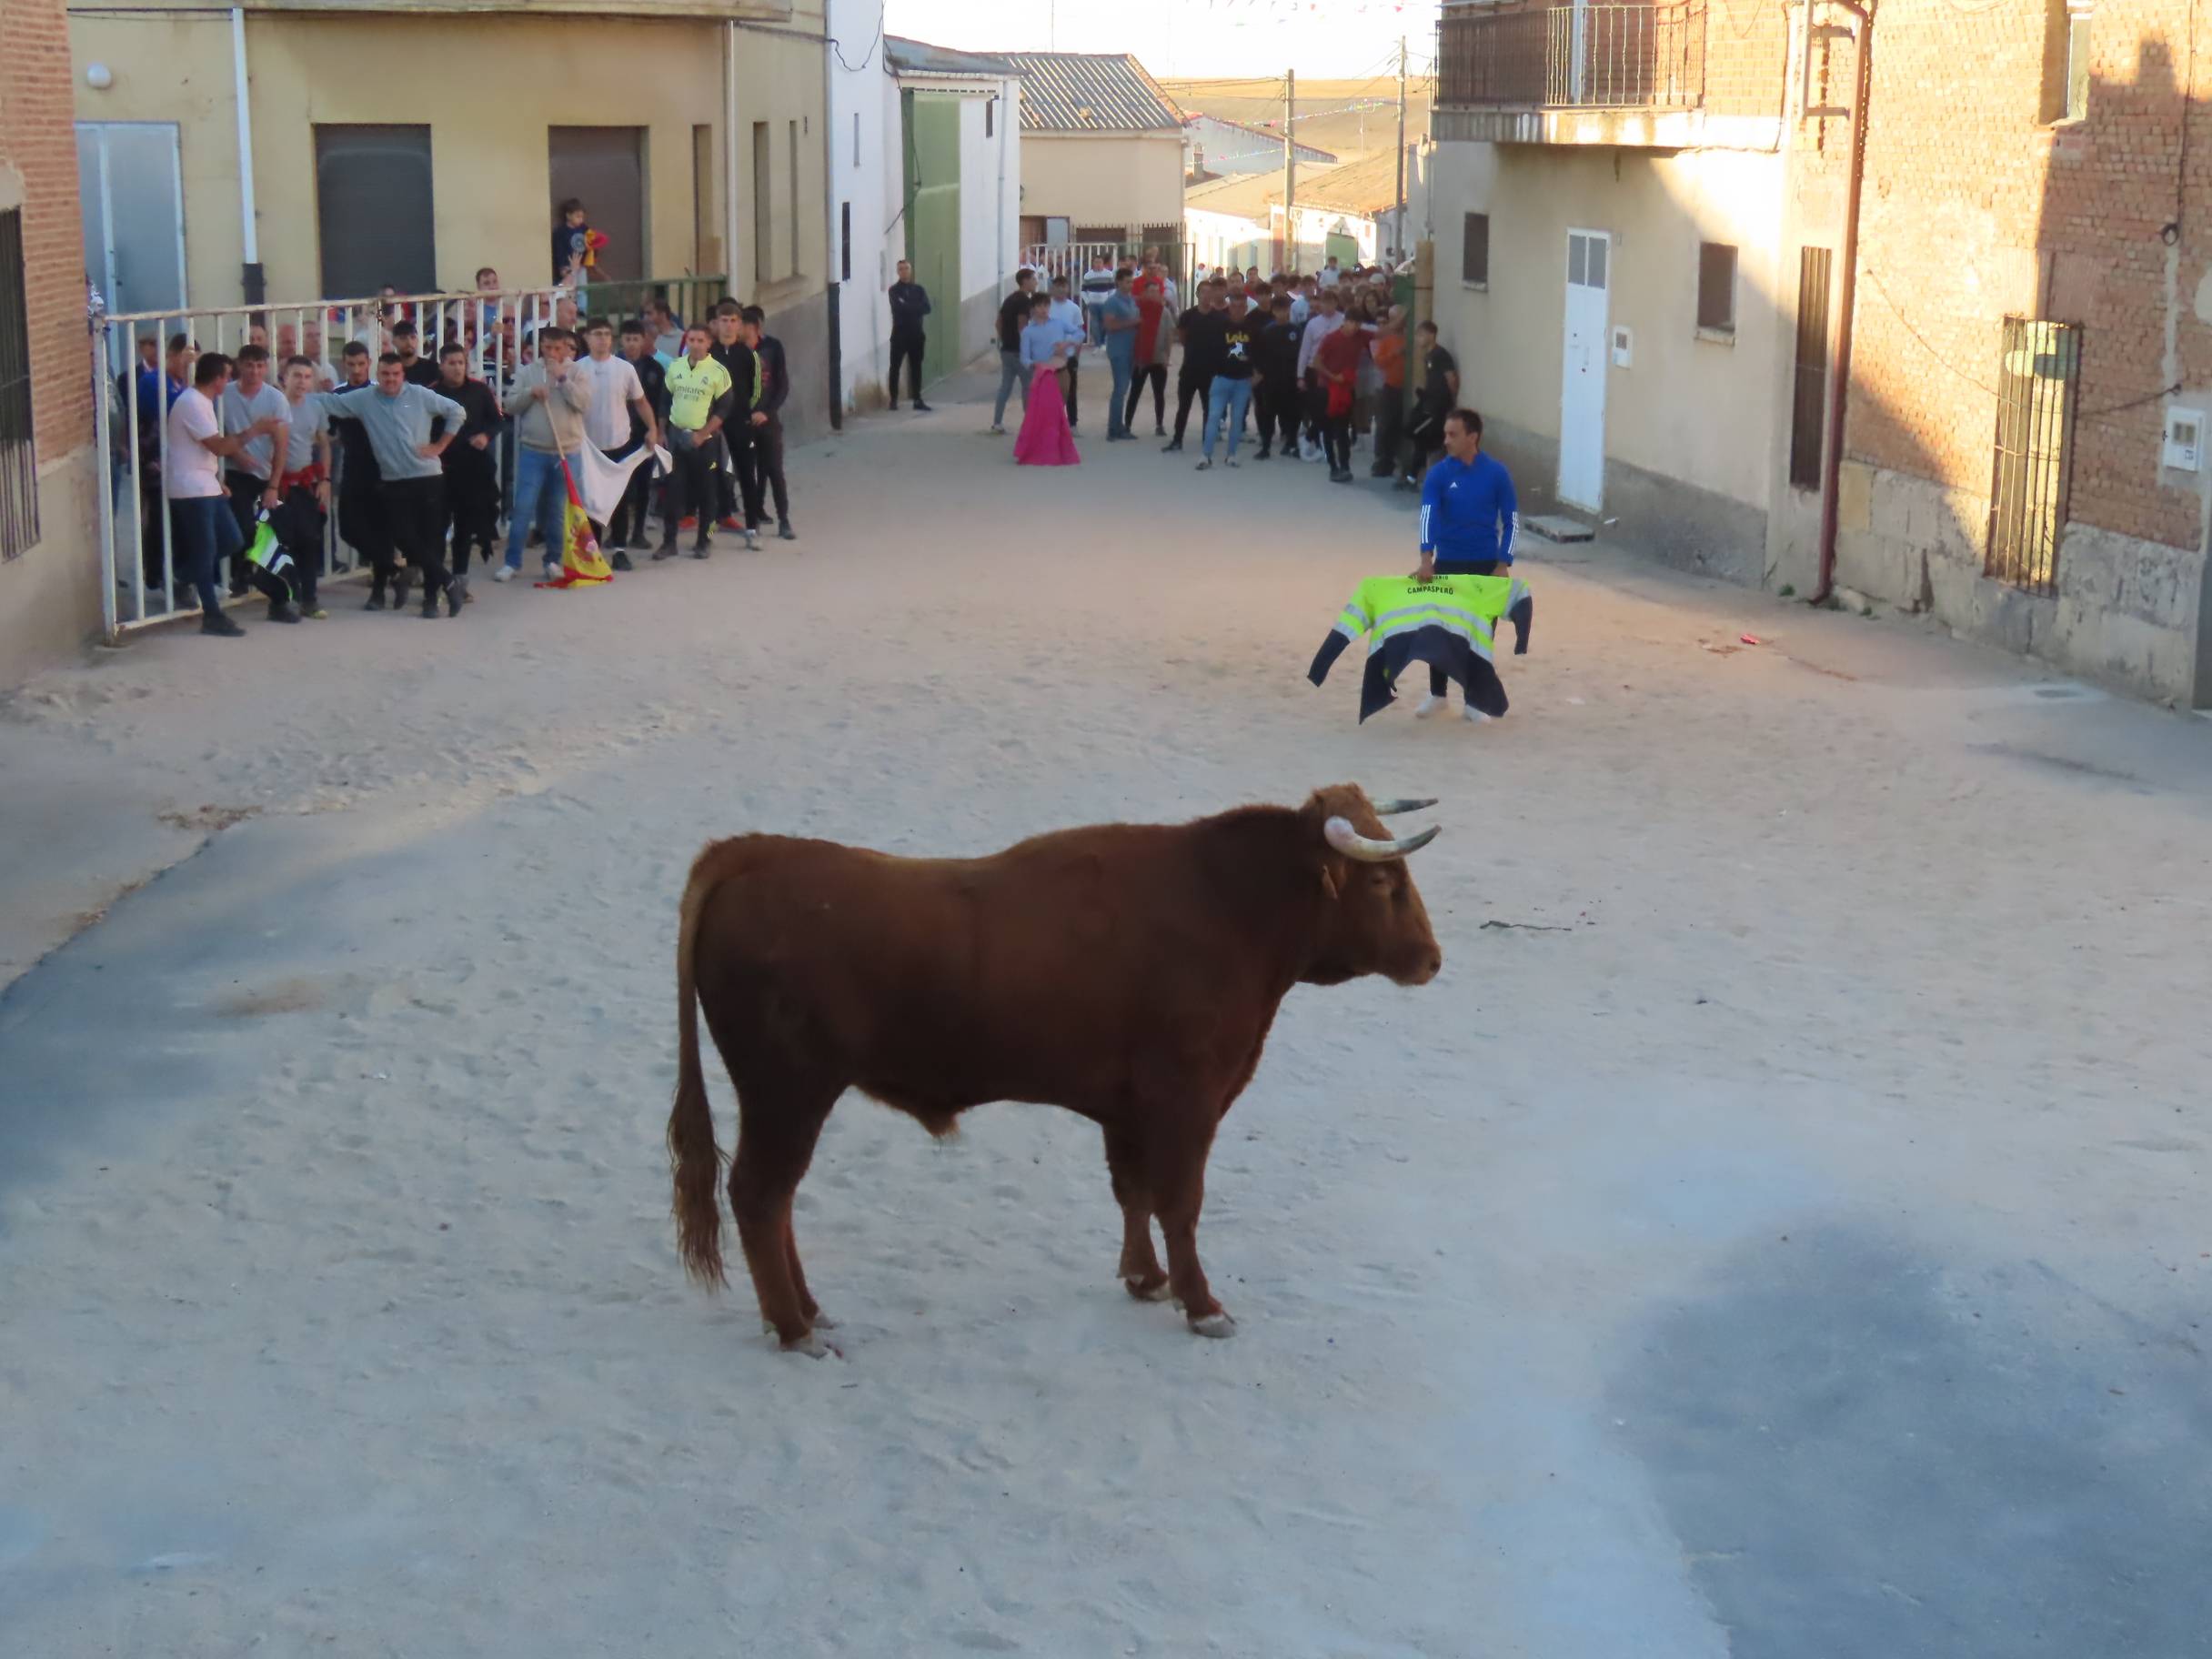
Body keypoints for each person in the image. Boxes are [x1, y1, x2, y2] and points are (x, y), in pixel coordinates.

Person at [323, 352, 469, 616]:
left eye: (395, 374)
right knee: (402, 536)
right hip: (392, 479)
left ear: (403, 375)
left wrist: (440, 446)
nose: (390, 379)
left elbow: (457, 411)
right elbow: (328, 404)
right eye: (386, 374)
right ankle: (446, 581)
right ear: (377, 375)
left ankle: (431, 599)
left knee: (431, 538)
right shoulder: (365, 398)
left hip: (427, 477)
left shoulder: (419, 394)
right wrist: (293, 394)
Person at [167, 353, 288, 634]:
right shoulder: (192, 403)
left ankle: (183, 578)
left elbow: (204, 450)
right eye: (227, 376)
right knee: (206, 549)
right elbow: (220, 447)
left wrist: (215, 479)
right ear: (218, 379)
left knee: (232, 540)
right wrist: (255, 430)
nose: (230, 381)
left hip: (205, 485)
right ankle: (212, 615)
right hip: (191, 489)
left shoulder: (202, 402)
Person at [1413, 408, 1520, 719]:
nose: (1446, 440)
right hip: (1447, 563)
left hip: (1486, 567)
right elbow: (1427, 516)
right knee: (1439, 630)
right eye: (1445, 434)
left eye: (1453, 434)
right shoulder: (1438, 474)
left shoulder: (1497, 473)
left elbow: (1512, 520)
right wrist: (1426, 558)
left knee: (1481, 634)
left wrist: (1504, 562)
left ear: (1472, 437)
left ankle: (1475, 700)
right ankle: (1438, 695)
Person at [498, 326, 591, 584]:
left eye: (557, 348)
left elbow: (584, 403)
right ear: (541, 346)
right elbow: (510, 405)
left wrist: (563, 380)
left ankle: (552, 560)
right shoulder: (528, 372)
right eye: (547, 347)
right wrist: (530, 392)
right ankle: (512, 562)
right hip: (533, 451)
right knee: (523, 507)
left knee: (557, 511)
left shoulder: (577, 372)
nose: (552, 353)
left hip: (566, 453)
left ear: (566, 348)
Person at [576, 317, 657, 569]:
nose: (602, 339)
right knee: (592, 501)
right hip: (588, 446)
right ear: (587, 337)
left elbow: (640, 402)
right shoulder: (577, 369)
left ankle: (620, 550)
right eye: (597, 334)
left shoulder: (624, 369)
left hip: (620, 443)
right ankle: (593, 552)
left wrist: (653, 428)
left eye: (606, 334)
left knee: (620, 499)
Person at [217, 344, 289, 596]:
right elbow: (216, 433)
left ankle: (254, 574)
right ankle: (241, 574)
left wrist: (273, 485)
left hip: (265, 473)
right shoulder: (224, 395)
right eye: (249, 365)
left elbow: (282, 444)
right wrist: (237, 454)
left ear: (266, 367)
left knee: (271, 529)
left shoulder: (275, 399)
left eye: (260, 366)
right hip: (234, 472)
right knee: (242, 526)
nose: (254, 371)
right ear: (239, 365)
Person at [657, 322, 733, 560]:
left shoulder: (718, 371)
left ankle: (704, 541)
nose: (696, 345)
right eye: (692, 340)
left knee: (707, 493)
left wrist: (703, 434)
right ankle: (669, 542)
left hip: (705, 441)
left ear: (709, 343)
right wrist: (660, 431)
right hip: (677, 437)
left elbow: (724, 408)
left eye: (701, 341)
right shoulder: (676, 367)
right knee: (673, 491)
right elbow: (664, 401)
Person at [269, 354, 334, 618]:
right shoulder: (273, 404)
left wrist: (325, 479)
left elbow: (324, 444)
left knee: (309, 540)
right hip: (277, 485)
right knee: (281, 543)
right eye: (297, 375)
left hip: (305, 483)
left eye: (307, 377)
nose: (302, 382)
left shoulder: (316, 407)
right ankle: (281, 601)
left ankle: (309, 599)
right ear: (285, 378)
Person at [327, 341, 393, 597]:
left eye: (361, 364)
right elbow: (329, 432)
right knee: (348, 528)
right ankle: (390, 568)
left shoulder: (380, 391)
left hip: (382, 467)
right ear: (344, 365)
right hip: (352, 467)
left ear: (369, 364)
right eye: (351, 364)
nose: (356, 369)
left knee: (382, 526)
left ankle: (379, 587)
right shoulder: (337, 394)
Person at [435, 342, 502, 588]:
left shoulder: (479, 390)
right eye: (451, 363)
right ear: (442, 366)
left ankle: (460, 577)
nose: (457, 368)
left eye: (461, 363)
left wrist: (486, 436)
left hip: (473, 468)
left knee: (465, 526)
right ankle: (436, 578)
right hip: (441, 470)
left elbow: (497, 421)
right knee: (438, 525)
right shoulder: (431, 393)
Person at [737, 305, 795, 542]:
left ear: (753, 328)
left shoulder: (772, 347)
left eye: (740, 326)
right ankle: (754, 517)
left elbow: (782, 385)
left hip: (768, 419)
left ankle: (784, 519)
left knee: (774, 469)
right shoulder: (735, 352)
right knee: (748, 472)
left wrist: (768, 412)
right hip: (743, 421)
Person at [707, 300, 759, 541]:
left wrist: (747, 414)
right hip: (713, 423)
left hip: (740, 422)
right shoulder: (709, 353)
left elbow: (755, 391)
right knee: (711, 473)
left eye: (733, 321)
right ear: (716, 324)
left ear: (739, 325)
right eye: (724, 321)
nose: (728, 326)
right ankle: (710, 526)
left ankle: (752, 526)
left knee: (746, 472)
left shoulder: (748, 355)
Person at [614, 319, 668, 552]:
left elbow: (660, 403)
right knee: (618, 486)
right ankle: (616, 533)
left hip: (643, 434)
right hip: (617, 435)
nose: (632, 344)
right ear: (621, 340)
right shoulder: (613, 365)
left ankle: (638, 532)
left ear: (644, 340)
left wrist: (657, 431)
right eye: (628, 339)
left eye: (636, 339)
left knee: (643, 483)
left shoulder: (655, 369)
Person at [1014, 294, 1080, 468]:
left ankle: (1057, 447)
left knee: (1058, 412)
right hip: (1042, 376)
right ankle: (1044, 448)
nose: (1044, 309)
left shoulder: (1059, 324)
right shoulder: (1028, 331)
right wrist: (1037, 364)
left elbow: (1079, 333)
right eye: (1040, 306)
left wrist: (1067, 345)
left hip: (1061, 372)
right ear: (1033, 309)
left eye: (1046, 306)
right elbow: (1024, 358)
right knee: (1044, 414)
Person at [1196, 292, 1259, 471]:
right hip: (1222, 378)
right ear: (1229, 307)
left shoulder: (1252, 329)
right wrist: (1213, 373)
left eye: (1241, 307)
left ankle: (1231, 454)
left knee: (1237, 419)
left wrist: (1256, 375)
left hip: (1243, 381)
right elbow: (1210, 351)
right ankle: (1206, 455)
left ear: (1246, 308)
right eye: (1234, 306)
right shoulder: (1220, 326)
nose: (1237, 310)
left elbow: (1259, 353)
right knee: (1214, 416)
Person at [1313, 309, 1371, 482]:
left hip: (1345, 389)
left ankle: (1344, 466)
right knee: (1328, 430)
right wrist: (1333, 377)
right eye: (1352, 322)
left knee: (1343, 429)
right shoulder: (1331, 338)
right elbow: (1316, 362)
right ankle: (1333, 466)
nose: (1354, 327)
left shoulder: (1361, 336)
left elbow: (1382, 333)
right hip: (1326, 388)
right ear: (1345, 321)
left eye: (1358, 324)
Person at [1165, 280, 1219, 454]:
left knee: (1208, 409)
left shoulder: (1219, 318)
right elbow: (1182, 337)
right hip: (1189, 369)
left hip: (1210, 371)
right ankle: (1177, 440)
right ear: (1197, 294)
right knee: (1183, 407)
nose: (1206, 295)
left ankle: (1206, 441)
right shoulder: (1188, 316)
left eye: (1209, 292)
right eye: (1203, 292)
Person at [1405, 321, 1461, 485]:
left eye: (1421, 335)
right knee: (1419, 435)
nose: (1418, 339)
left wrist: (1452, 400)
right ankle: (1414, 476)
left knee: (1423, 436)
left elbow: (1451, 378)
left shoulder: (1440, 354)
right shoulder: (1428, 356)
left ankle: (1415, 477)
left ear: (1431, 335)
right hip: (1428, 403)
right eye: (1417, 335)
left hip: (1438, 406)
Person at [1253, 295, 1303, 462]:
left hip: (1290, 379)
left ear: (1289, 310)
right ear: (1273, 311)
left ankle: (1291, 443)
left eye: (1285, 309)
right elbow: (1259, 354)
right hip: (1271, 380)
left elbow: (1301, 354)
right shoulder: (1267, 331)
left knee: (1292, 413)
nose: (1282, 313)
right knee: (1268, 413)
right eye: (1278, 310)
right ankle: (1266, 446)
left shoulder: (1295, 330)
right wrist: (1259, 373)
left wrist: (1300, 376)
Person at [1124, 261, 1170, 437]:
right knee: (1135, 392)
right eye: (1150, 291)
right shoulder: (1136, 310)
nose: (1153, 294)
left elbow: (1168, 336)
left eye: (1156, 291)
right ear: (1144, 292)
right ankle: (1127, 425)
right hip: (1140, 359)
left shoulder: (1164, 312)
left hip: (1158, 358)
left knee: (1159, 394)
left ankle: (1160, 424)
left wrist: (1166, 357)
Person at [990, 268, 1038, 435]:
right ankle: (1030, 423)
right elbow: (1022, 326)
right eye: (1033, 279)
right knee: (1028, 386)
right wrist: (1026, 349)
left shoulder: (1010, 299)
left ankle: (997, 422)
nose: (1035, 282)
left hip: (1007, 350)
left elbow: (998, 323)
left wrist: (1005, 340)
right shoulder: (1024, 301)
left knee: (1005, 387)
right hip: (1019, 351)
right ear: (1025, 281)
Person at [1099, 268, 1141, 442]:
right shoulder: (1112, 302)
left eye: (1131, 282)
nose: (1130, 285)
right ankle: (1113, 428)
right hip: (1119, 350)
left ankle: (1118, 426)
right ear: (1118, 282)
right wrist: (1134, 322)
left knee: (1123, 389)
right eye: (1127, 281)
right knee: (1120, 389)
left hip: (1131, 349)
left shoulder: (1132, 300)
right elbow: (1109, 325)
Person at [1370, 305, 1410, 480]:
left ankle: (1396, 458)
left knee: (1399, 424)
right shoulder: (1386, 339)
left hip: (1407, 387)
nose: (1398, 322)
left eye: (1400, 318)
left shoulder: (1410, 337)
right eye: (1393, 319)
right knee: (1385, 424)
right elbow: (1379, 362)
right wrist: (1395, 353)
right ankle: (1382, 459)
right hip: (1391, 386)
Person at [887, 259, 932, 411]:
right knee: (895, 367)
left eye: (906, 268)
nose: (904, 271)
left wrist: (907, 305)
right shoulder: (894, 290)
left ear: (910, 270)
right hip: (899, 335)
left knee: (916, 367)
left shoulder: (919, 289)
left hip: (916, 335)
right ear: (897, 272)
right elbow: (898, 308)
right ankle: (893, 400)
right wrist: (915, 307)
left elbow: (927, 308)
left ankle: (917, 399)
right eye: (901, 269)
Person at [1045, 275, 1087, 429]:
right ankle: (1052, 421)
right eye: (1058, 286)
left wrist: (1076, 356)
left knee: (1070, 390)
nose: (1061, 290)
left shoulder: (1074, 309)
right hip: (1049, 356)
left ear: (1068, 289)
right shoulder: (1046, 307)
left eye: (1064, 286)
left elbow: (1079, 333)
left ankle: (1072, 422)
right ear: (1052, 289)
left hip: (1068, 355)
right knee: (1050, 391)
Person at [553, 197, 593, 287]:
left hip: (581, 265)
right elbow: (559, 251)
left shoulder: (583, 228)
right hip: (567, 266)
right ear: (568, 216)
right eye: (578, 216)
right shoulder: (561, 232)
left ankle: (582, 297)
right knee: (570, 287)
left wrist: (589, 244)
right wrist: (563, 268)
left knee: (582, 289)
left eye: (582, 217)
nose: (581, 220)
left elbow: (592, 237)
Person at [1080, 252, 1117, 346]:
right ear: (1093, 263)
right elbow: (1083, 291)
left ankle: (1102, 343)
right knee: (1095, 324)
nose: (1098, 264)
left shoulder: (1109, 274)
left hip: (1105, 303)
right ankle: (1098, 344)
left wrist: (1109, 300)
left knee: (1104, 323)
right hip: (1093, 303)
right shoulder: (1088, 275)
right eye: (1096, 262)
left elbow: (1112, 289)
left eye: (1100, 262)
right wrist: (1088, 302)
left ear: (1103, 263)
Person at [389, 320, 440, 387]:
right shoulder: (389, 370)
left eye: (413, 337)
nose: (409, 342)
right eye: (403, 338)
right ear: (393, 342)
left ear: (417, 340)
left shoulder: (433, 369)